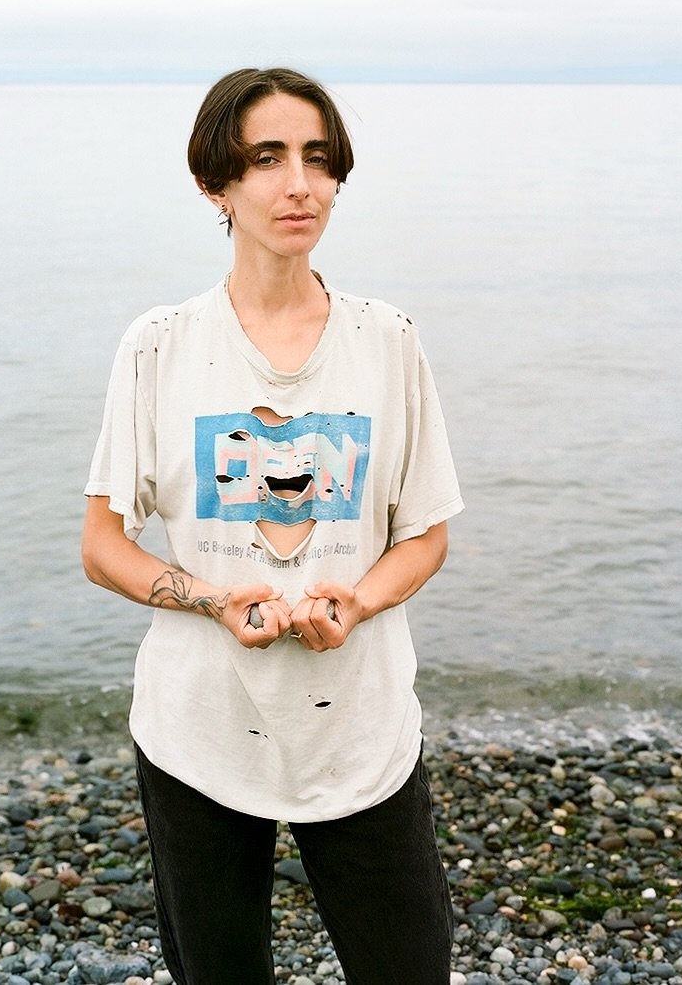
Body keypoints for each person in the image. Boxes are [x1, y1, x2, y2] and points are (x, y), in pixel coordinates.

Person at [82, 67, 463, 985]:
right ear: (216, 183)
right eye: (266, 158)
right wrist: (212, 600)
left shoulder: (389, 338)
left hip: (362, 727)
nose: (299, 184)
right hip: (199, 730)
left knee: (409, 966)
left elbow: (425, 532)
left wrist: (360, 602)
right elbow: (102, 545)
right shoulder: (161, 342)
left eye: (318, 159)